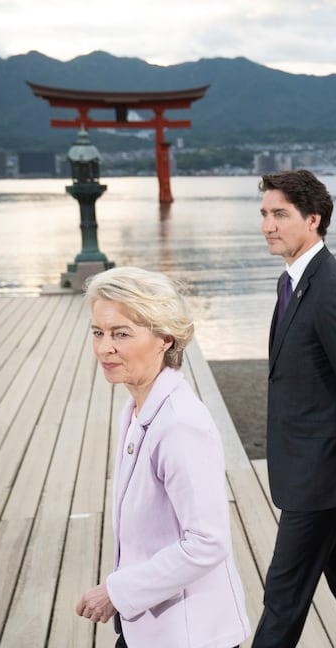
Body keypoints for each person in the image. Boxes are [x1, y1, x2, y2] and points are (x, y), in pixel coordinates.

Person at [75, 266, 250, 648]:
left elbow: (207, 541)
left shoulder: (180, 424)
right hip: (150, 629)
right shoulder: (135, 411)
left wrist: (116, 592)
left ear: (165, 338)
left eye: (121, 333)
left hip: (191, 635)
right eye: (98, 332)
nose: (104, 348)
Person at [252, 170, 336, 647]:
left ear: (313, 220)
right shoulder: (291, 280)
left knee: (283, 597)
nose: (268, 225)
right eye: (264, 214)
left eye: (280, 214)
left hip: (321, 473)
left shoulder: (331, 287)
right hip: (311, 467)